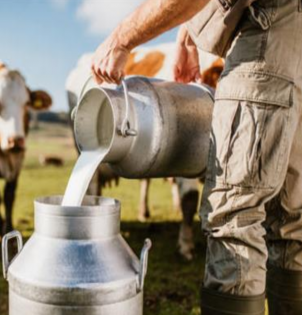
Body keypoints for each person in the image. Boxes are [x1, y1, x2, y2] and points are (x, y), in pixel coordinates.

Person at [90, 0, 302, 314]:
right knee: (290, 218)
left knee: (234, 215)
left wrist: (120, 39)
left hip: (265, 32)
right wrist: (187, 36)